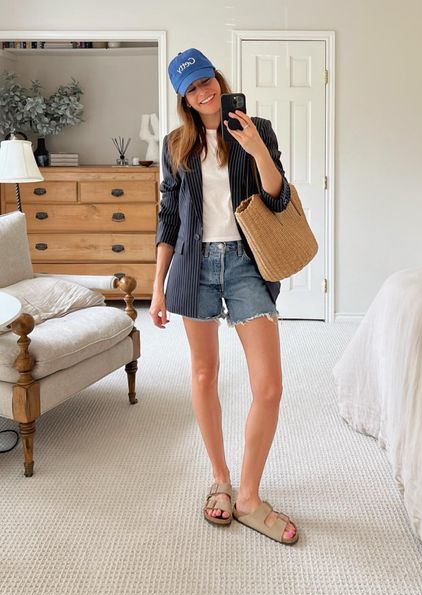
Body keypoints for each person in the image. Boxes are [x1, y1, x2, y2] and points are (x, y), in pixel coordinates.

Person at [150, 48, 298, 545]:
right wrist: (156, 288)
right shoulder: (175, 145)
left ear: (217, 77)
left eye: (205, 80)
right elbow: (168, 220)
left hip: (245, 262)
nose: (203, 91)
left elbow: (277, 196)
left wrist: (255, 146)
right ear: (184, 99)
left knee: (269, 386)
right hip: (194, 267)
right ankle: (220, 479)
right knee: (203, 372)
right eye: (191, 88)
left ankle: (250, 497)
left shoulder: (257, 127)